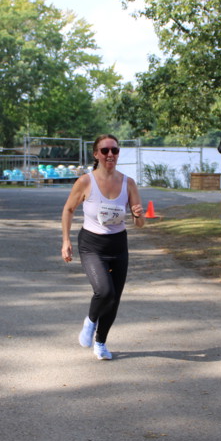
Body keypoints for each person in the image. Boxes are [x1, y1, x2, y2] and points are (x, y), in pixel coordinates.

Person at [61, 135, 145, 360]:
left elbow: (139, 223)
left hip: (118, 245)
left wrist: (138, 214)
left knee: (114, 298)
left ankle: (100, 343)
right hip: (92, 245)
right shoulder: (85, 182)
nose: (110, 155)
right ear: (96, 154)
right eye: (105, 150)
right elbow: (68, 210)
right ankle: (90, 321)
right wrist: (66, 241)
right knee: (105, 291)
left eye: (114, 150)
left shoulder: (128, 183)